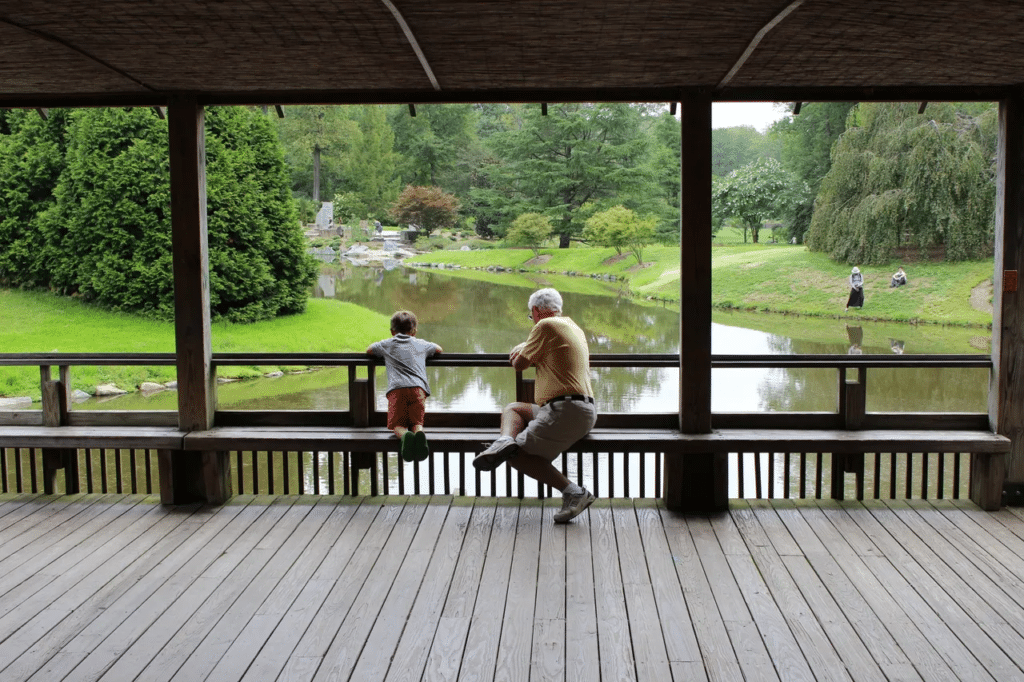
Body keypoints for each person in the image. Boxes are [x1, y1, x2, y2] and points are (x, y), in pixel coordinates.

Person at [474, 288, 598, 523]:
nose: (533, 322)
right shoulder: (572, 326)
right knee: (513, 408)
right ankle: (504, 441)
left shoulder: (544, 326)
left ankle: (574, 493)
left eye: (531, 317)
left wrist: (522, 348)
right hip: (577, 408)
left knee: (517, 456)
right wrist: (526, 344)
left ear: (536, 311)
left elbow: (519, 364)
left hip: (566, 410)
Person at [366, 311, 442, 462]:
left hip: (397, 390)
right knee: (416, 422)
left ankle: (405, 435)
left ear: (392, 331)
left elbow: (369, 350)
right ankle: (419, 432)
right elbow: (438, 349)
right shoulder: (421, 344)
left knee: (398, 426)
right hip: (418, 389)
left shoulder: (387, 344)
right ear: (414, 331)